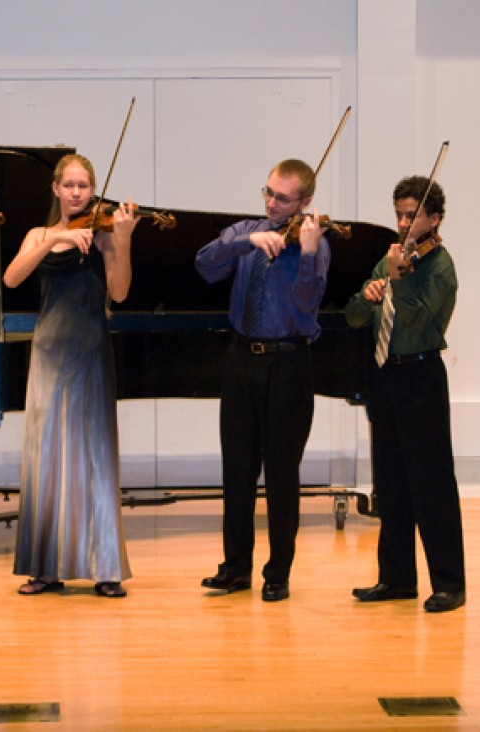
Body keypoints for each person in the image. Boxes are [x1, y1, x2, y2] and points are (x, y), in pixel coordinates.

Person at [194, 159, 331, 603]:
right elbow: (204, 266)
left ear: (305, 202)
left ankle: (278, 572)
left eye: (284, 198)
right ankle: (235, 568)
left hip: (288, 363)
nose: (273, 203)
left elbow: (308, 302)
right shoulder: (246, 232)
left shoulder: (314, 244)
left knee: (280, 475)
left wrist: (307, 254)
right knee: (236, 469)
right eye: (269, 193)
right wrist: (245, 243)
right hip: (240, 359)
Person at [2, 154, 138, 598]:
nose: (77, 193)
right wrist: (57, 237)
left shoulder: (101, 236)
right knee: (45, 458)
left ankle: (105, 567)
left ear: (92, 190)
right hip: (47, 353)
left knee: (95, 455)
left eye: (84, 186)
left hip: (91, 350)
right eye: (70, 185)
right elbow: (12, 278)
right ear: (56, 190)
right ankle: (45, 567)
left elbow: (118, 291)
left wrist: (122, 239)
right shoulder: (39, 234)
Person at [346, 176, 466, 611]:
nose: (401, 222)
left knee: (431, 483)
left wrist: (396, 283)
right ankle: (396, 578)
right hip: (386, 376)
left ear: (434, 219)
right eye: (398, 213)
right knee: (391, 482)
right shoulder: (391, 258)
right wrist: (368, 292)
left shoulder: (439, 266)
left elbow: (419, 322)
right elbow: (355, 317)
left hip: (421, 376)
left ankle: (450, 583)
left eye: (411, 215)